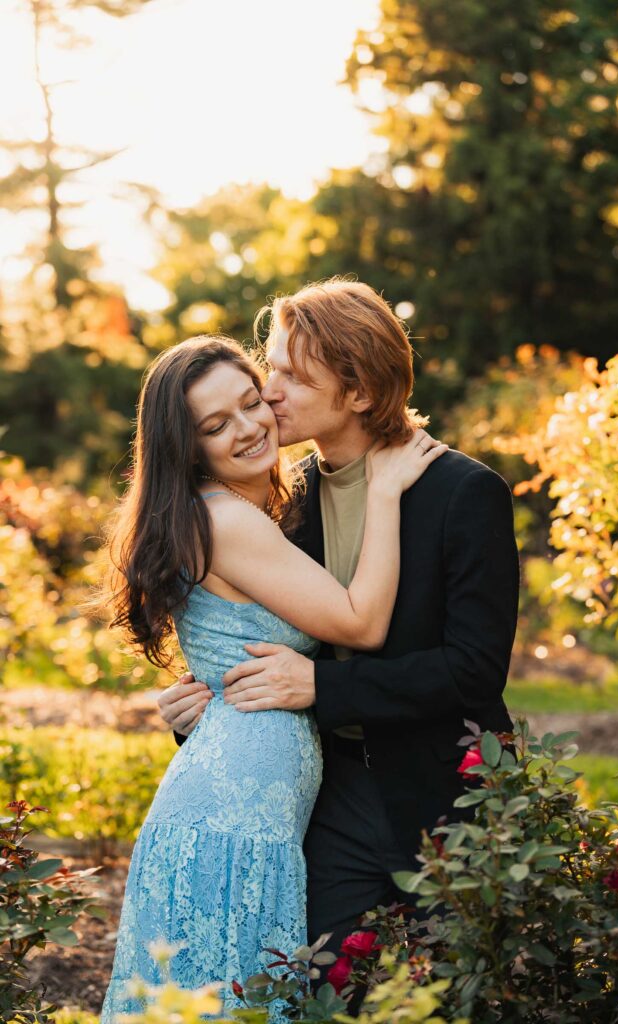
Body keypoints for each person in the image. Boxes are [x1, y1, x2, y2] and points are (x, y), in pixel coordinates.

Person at [160, 278, 520, 958]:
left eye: (292, 376)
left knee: (453, 992)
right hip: (329, 795)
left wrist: (323, 689)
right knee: (321, 992)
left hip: (444, 796)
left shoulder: (463, 493)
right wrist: (203, 706)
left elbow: (471, 669)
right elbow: (265, 639)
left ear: (356, 392)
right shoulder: (284, 498)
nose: (268, 392)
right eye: (271, 366)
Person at [99, 333, 444, 1021]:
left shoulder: (246, 512)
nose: (249, 428)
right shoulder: (226, 518)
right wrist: (384, 491)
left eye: (251, 402)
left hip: (247, 813)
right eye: (214, 425)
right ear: (187, 446)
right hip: (232, 825)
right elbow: (361, 624)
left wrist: (205, 702)